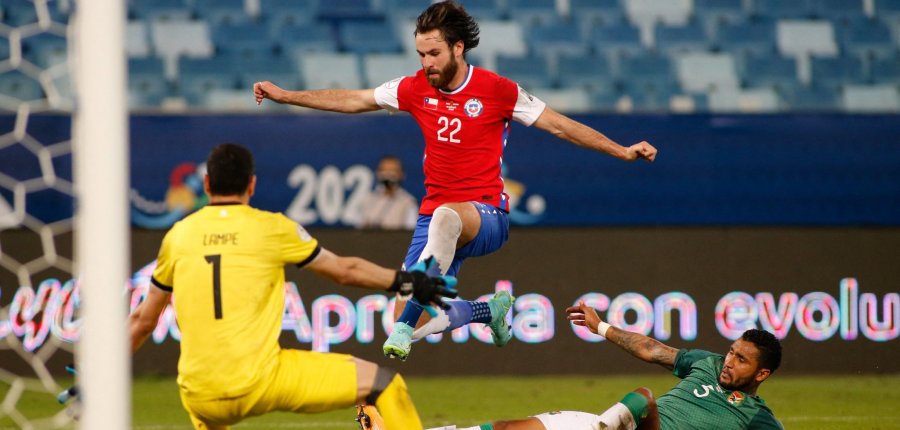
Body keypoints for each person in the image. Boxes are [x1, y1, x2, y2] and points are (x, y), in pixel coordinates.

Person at [253, 0, 658, 361]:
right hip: (434, 220)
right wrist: (286, 96)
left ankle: (406, 326)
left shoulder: (497, 90)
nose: (426, 62)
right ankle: (486, 311)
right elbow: (354, 100)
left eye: (434, 53)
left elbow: (558, 126)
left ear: (458, 48)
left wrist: (620, 149)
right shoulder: (413, 88)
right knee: (403, 310)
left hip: (486, 215)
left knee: (443, 229)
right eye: (420, 53)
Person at [128, 143, 485, 430]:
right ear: (252, 185)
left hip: (200, 395)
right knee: (386, 385)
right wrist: (406, 282)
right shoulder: (271, 227)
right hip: (262, 380)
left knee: (197, 384)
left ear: (206, 184)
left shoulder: (177, 236)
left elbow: (142, 320)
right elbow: (344, 271)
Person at [355, 303, 894, 430]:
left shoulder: (756, 418)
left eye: (741, 361)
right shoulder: (705, 363)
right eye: (730, 353)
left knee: (642, 398)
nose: (728, 362)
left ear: (762, 374)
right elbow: (654, 349)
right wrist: (604, 327)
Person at [355, 155, 419, 230]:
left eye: (393, 171)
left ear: (401, 175)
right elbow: (358, 229)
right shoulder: (367, 199)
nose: (388, 175)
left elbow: (410, 232)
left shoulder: (408, 202)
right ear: (377, 173)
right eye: (384, 170)